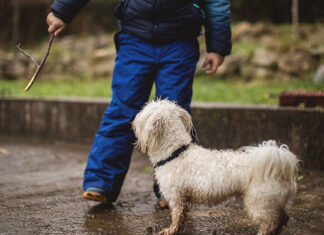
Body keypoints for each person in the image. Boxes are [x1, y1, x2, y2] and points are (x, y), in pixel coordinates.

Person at [47, 0, 231, 205]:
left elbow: (216, 2)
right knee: (122, 110)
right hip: (135, 39)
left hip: (180, 41)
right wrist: (62, 11)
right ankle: (102, 182)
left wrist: (217, 46)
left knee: (173, 117)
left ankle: (175, 189)